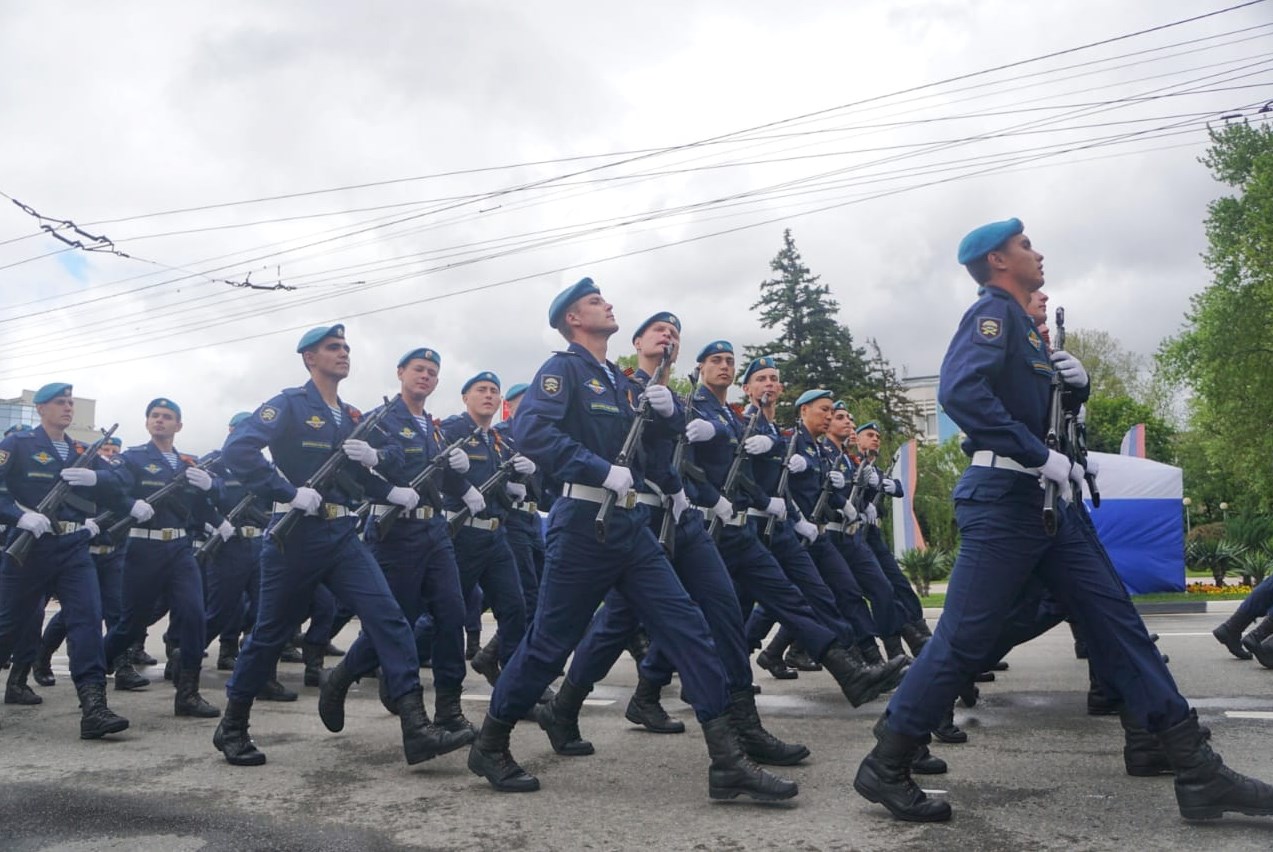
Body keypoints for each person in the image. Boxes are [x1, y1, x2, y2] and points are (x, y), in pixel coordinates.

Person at [852, 217, 1273, 822]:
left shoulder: (1024, 332)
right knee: (965, 638)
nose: (1037, 252)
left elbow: (1039, 413)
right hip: (1004, 499)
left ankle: (1198, 770)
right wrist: (1037, 453)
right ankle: (886, 762)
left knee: (1119, 626)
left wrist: (1076, 386)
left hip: (1050, 506)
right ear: (999, 261)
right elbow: (960, 394)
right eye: (1025, 245)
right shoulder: (991, 315)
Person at [467, 278, 795, 801]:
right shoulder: (563, 370)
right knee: (550, 644)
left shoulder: (620, 384)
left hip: (630, 526)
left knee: (689, 628)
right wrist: (598, 468)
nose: (608, 305)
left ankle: (727, 760)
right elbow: (532, 433)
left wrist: (667, 419)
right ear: (574, 319)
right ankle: (492, 740)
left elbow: (649, 456)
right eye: (596, 302)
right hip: (582, 525)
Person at [537, 311, 808, 767]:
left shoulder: (677, 402)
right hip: (626, 515)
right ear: (638, 341)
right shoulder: (618, 388)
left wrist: (684, 486)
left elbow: (682, 456)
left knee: (719, 609)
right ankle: (564, 706)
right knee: (611, 626)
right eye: (659, 331)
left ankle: (743, 727)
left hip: (675, 516)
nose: (668, 338)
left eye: (676, 334)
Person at [213, 323, 472, 767]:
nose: (343, 353)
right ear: (309, 358)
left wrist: (382, 478)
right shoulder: (290, 405)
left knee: (390, 619)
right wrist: (286, 491)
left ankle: (416, 727)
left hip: (342, 534)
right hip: (293, 535)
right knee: (269, 634)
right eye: (333, 348)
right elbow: (239, 450)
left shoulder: (353, 417)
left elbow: (391, 457)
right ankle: (232, 725)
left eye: (347, 347)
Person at [329, 346, 478, 736]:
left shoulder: (433, 426)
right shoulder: (380, 421)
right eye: (418, 369)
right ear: (401, 373)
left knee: (451, 616)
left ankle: (449, 710)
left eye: (432, 371)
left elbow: (437, 477)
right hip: (396, 533)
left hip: (434, 531)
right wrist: (378, 462)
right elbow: (365, 471)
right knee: (397, 622)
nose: (425, 376)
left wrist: (464, 483)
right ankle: (341, 677)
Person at [0, 382, 130, 738]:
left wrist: (96, 476)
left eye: (71, 402)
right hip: (29, 545)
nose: (68, 408)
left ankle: (94, 708)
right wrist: (17, 516)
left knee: (87, 621)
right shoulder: (18, 444)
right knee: (9, 623)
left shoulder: (78, 450)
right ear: (41, 409)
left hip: (72, 546)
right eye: (60, 402)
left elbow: (120, 482)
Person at [101, 398, 222, 719]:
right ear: (146, 422)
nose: (160, 421)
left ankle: (188, 694)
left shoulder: (189, 463)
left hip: (181, 549)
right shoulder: (133, 459)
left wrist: (211, 485)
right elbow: (113, 489)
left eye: (167, 417)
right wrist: (130, 505)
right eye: (154, 416)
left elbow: (211, 500)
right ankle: (94, 674)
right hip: (143, 549)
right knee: (131, 624)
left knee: (195, 615)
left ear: (178, 425)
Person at [439, 372, 529, 688]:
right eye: (481, 390)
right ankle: (386, 663)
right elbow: (431, 468)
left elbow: (498, 483)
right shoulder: (451, 429)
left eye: (494, 390)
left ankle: (517, 683)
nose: (489, 395)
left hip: (495, 534)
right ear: (466, 397)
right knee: (446, 611)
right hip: (462, 533)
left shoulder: (498, 440)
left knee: (515, 608)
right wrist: (461, 485)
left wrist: (517, 485)